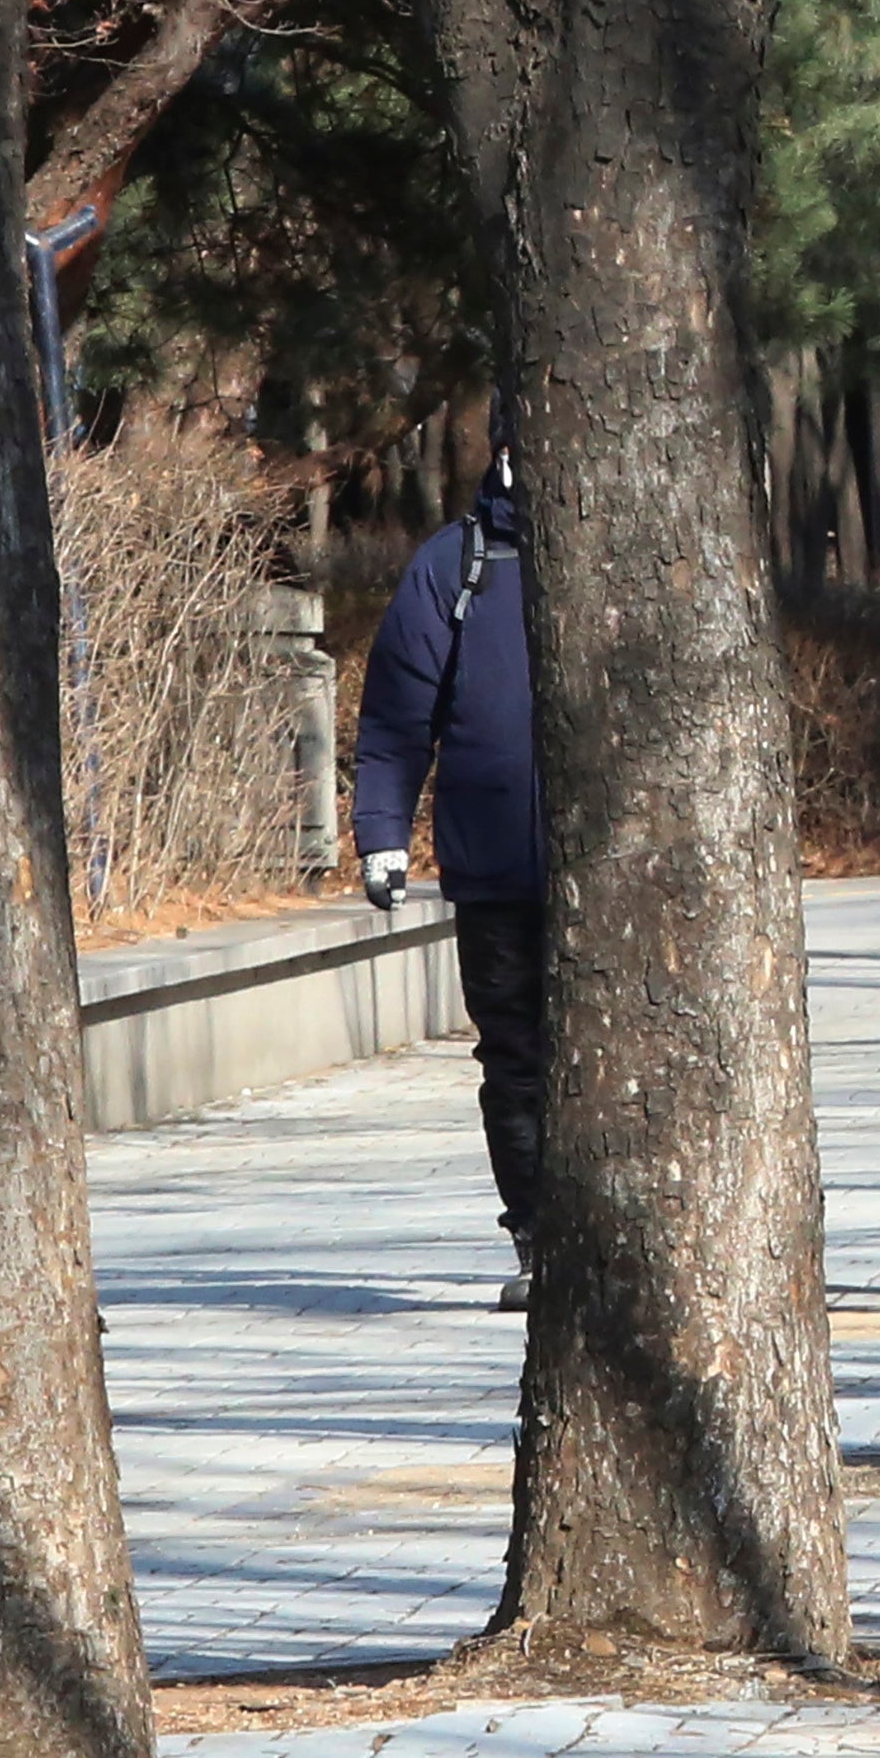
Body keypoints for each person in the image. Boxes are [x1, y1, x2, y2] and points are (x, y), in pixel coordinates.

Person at [349, 453, 547, 1307]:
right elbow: (397, 716)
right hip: (496, 869)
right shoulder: (457, 565)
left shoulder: (642, 546)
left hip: (628, 878)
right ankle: (541, 1238)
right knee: (516, 1060)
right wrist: (381, 834)